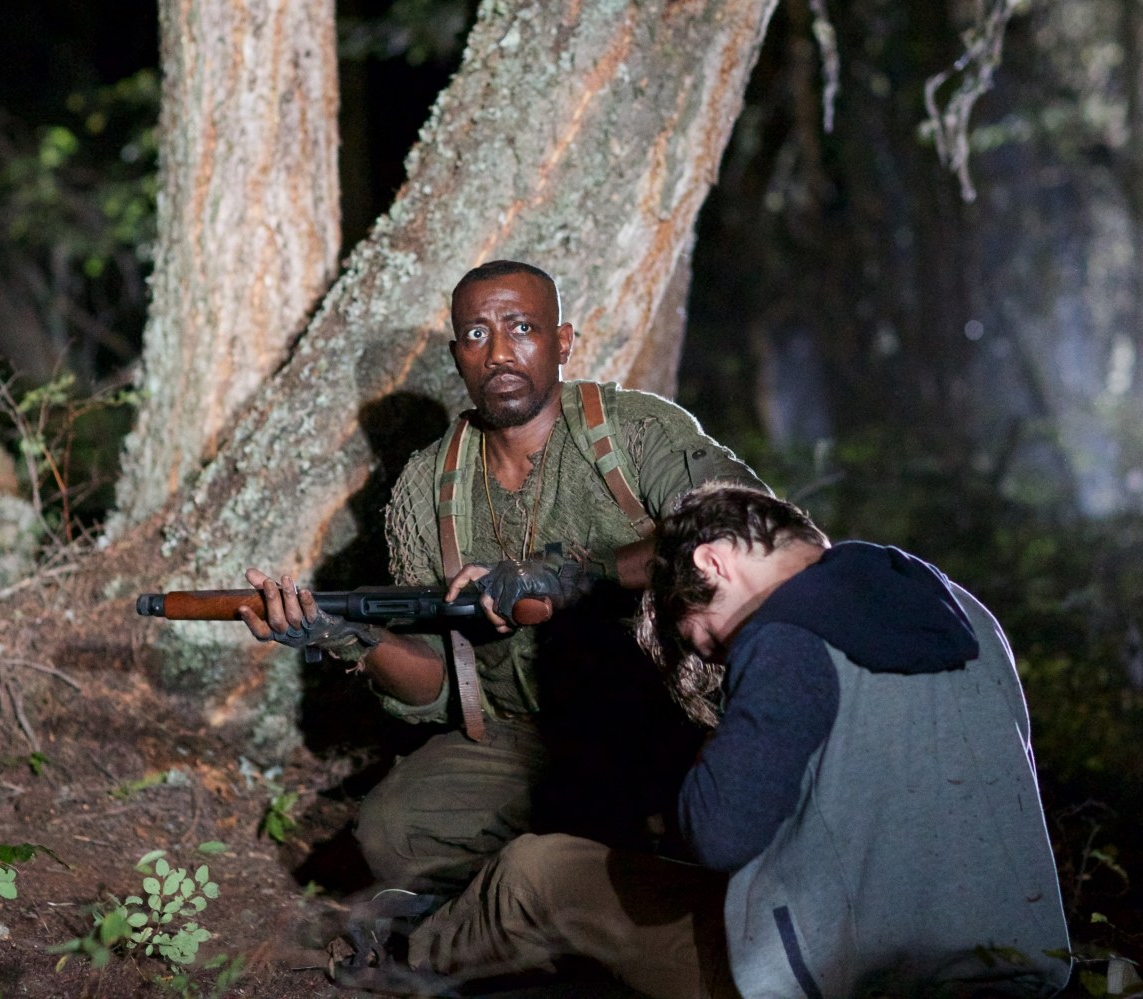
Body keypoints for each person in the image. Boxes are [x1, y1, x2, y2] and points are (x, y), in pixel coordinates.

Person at [334, 483, 1072, 998]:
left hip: (856, 978)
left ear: (713, 561)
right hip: (1021, 959)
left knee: (539, 870)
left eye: (706, 639)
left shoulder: (785, 635)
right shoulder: (966, 610)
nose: (719, 656)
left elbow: (717, 834)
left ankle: (405, 958)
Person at [237, 260, 764, 900]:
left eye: (522, 328)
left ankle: (581, 886)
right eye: (478, 335)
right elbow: (435, 678)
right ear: (458, 355)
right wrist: (346, 637)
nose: (501, 353)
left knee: (720, 829)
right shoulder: (427, 486)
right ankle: (562, 893)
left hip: (668, 719)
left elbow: (741, 529)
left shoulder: (632, 432)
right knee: (393, 833)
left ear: (562, 342)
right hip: (527, 736)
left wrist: (577, 573)